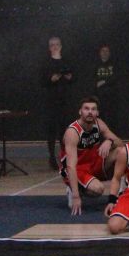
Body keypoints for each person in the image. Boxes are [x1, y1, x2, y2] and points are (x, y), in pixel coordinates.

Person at [61, 96, 124, 215]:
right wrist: (76, 196)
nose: (90, 112)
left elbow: (120, 143)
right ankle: (74, 189)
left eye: (93, 109)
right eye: (86, 108)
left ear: (97, 112)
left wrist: (110, 141)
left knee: (121, 152)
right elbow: (70, 166)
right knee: (98, 189)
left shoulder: (99, 123)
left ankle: (121, 196)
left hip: (94, 163)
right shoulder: (73, 132)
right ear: (80, 112)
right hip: (77, 169)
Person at [42, 35, 75, 171]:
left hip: (64, 100)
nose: (55, 47)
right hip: (51, 101)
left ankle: (64, 157)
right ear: (49, 48)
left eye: (57, 44)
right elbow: (41, 81)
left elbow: (74, 77)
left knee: (64, 131)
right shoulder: (46, 63)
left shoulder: (66, 61)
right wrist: (51, 80)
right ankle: (51, 157)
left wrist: (69, 77)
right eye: (52, 45)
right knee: (51, 130)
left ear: (61, 46)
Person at [93, 44, 120, 130]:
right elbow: (91, 80)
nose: (105, 53)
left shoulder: (114, 64)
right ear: (99, 52)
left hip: (112, 97)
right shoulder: (95, 65)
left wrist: (103, 81)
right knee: (99, 120)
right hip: (99, 98)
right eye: (103, 51)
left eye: (107, 51)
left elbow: (116, 77)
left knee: (111, 121)